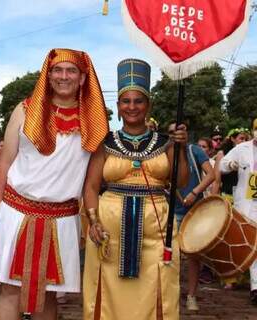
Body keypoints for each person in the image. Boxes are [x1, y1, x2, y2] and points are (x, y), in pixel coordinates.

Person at [0, 48, 109, 320]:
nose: (63, 76)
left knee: (49, 294)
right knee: (10, 290)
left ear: (83, 77)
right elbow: (5, 164)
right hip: (15, 212)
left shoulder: (94, 122)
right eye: (57, 70)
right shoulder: (25, 109)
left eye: (71, 70)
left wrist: (93, 218)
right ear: (48, 74)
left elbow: (92, 182)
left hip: (61, 218)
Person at [83, 58, 189, 320]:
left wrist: (181, 147)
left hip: (157, 231)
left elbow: (182, 181)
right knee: (107, 294)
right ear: (118, 107)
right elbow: (91, 186)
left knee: (160, 288)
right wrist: (93, 221)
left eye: (138, 101)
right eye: (126, 102)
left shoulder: (167, 142)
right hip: (109, 232)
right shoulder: (104, 141)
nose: (132, 107)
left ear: (148, 105)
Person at [169, 123, 215, 311]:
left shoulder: (194, 150)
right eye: (171, 132)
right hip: (171, 209)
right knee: (169, 254)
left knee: (194, 255)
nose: (176, 134)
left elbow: (211, 175)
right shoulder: (165, 151)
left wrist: (194, 193)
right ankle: (169, 294)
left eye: (179, 131)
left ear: (186, 132)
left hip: (194, 210)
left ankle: (191, 295)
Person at [219, 118, 257, 305]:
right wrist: (230, 166)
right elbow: (221, 164)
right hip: (246, 203)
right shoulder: (242, 149)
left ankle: (255, 286)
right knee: (250, 242)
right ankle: (252, 286)